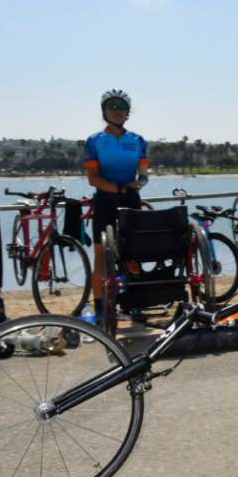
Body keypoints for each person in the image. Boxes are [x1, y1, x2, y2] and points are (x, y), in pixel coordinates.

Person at [85, 89, 149, 321]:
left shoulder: (137, 140)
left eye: (122, 107)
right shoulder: (94, 141)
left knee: (133, 256)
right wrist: (120, 187)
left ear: (128, 112)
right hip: (105, 202)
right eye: (112, 106)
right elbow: (93, 178)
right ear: (104, 111)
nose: (117, 111)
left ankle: (135, 303)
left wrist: (139, 183)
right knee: (101, 259)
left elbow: (143, 175)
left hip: (131, 202)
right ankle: (101, 309)